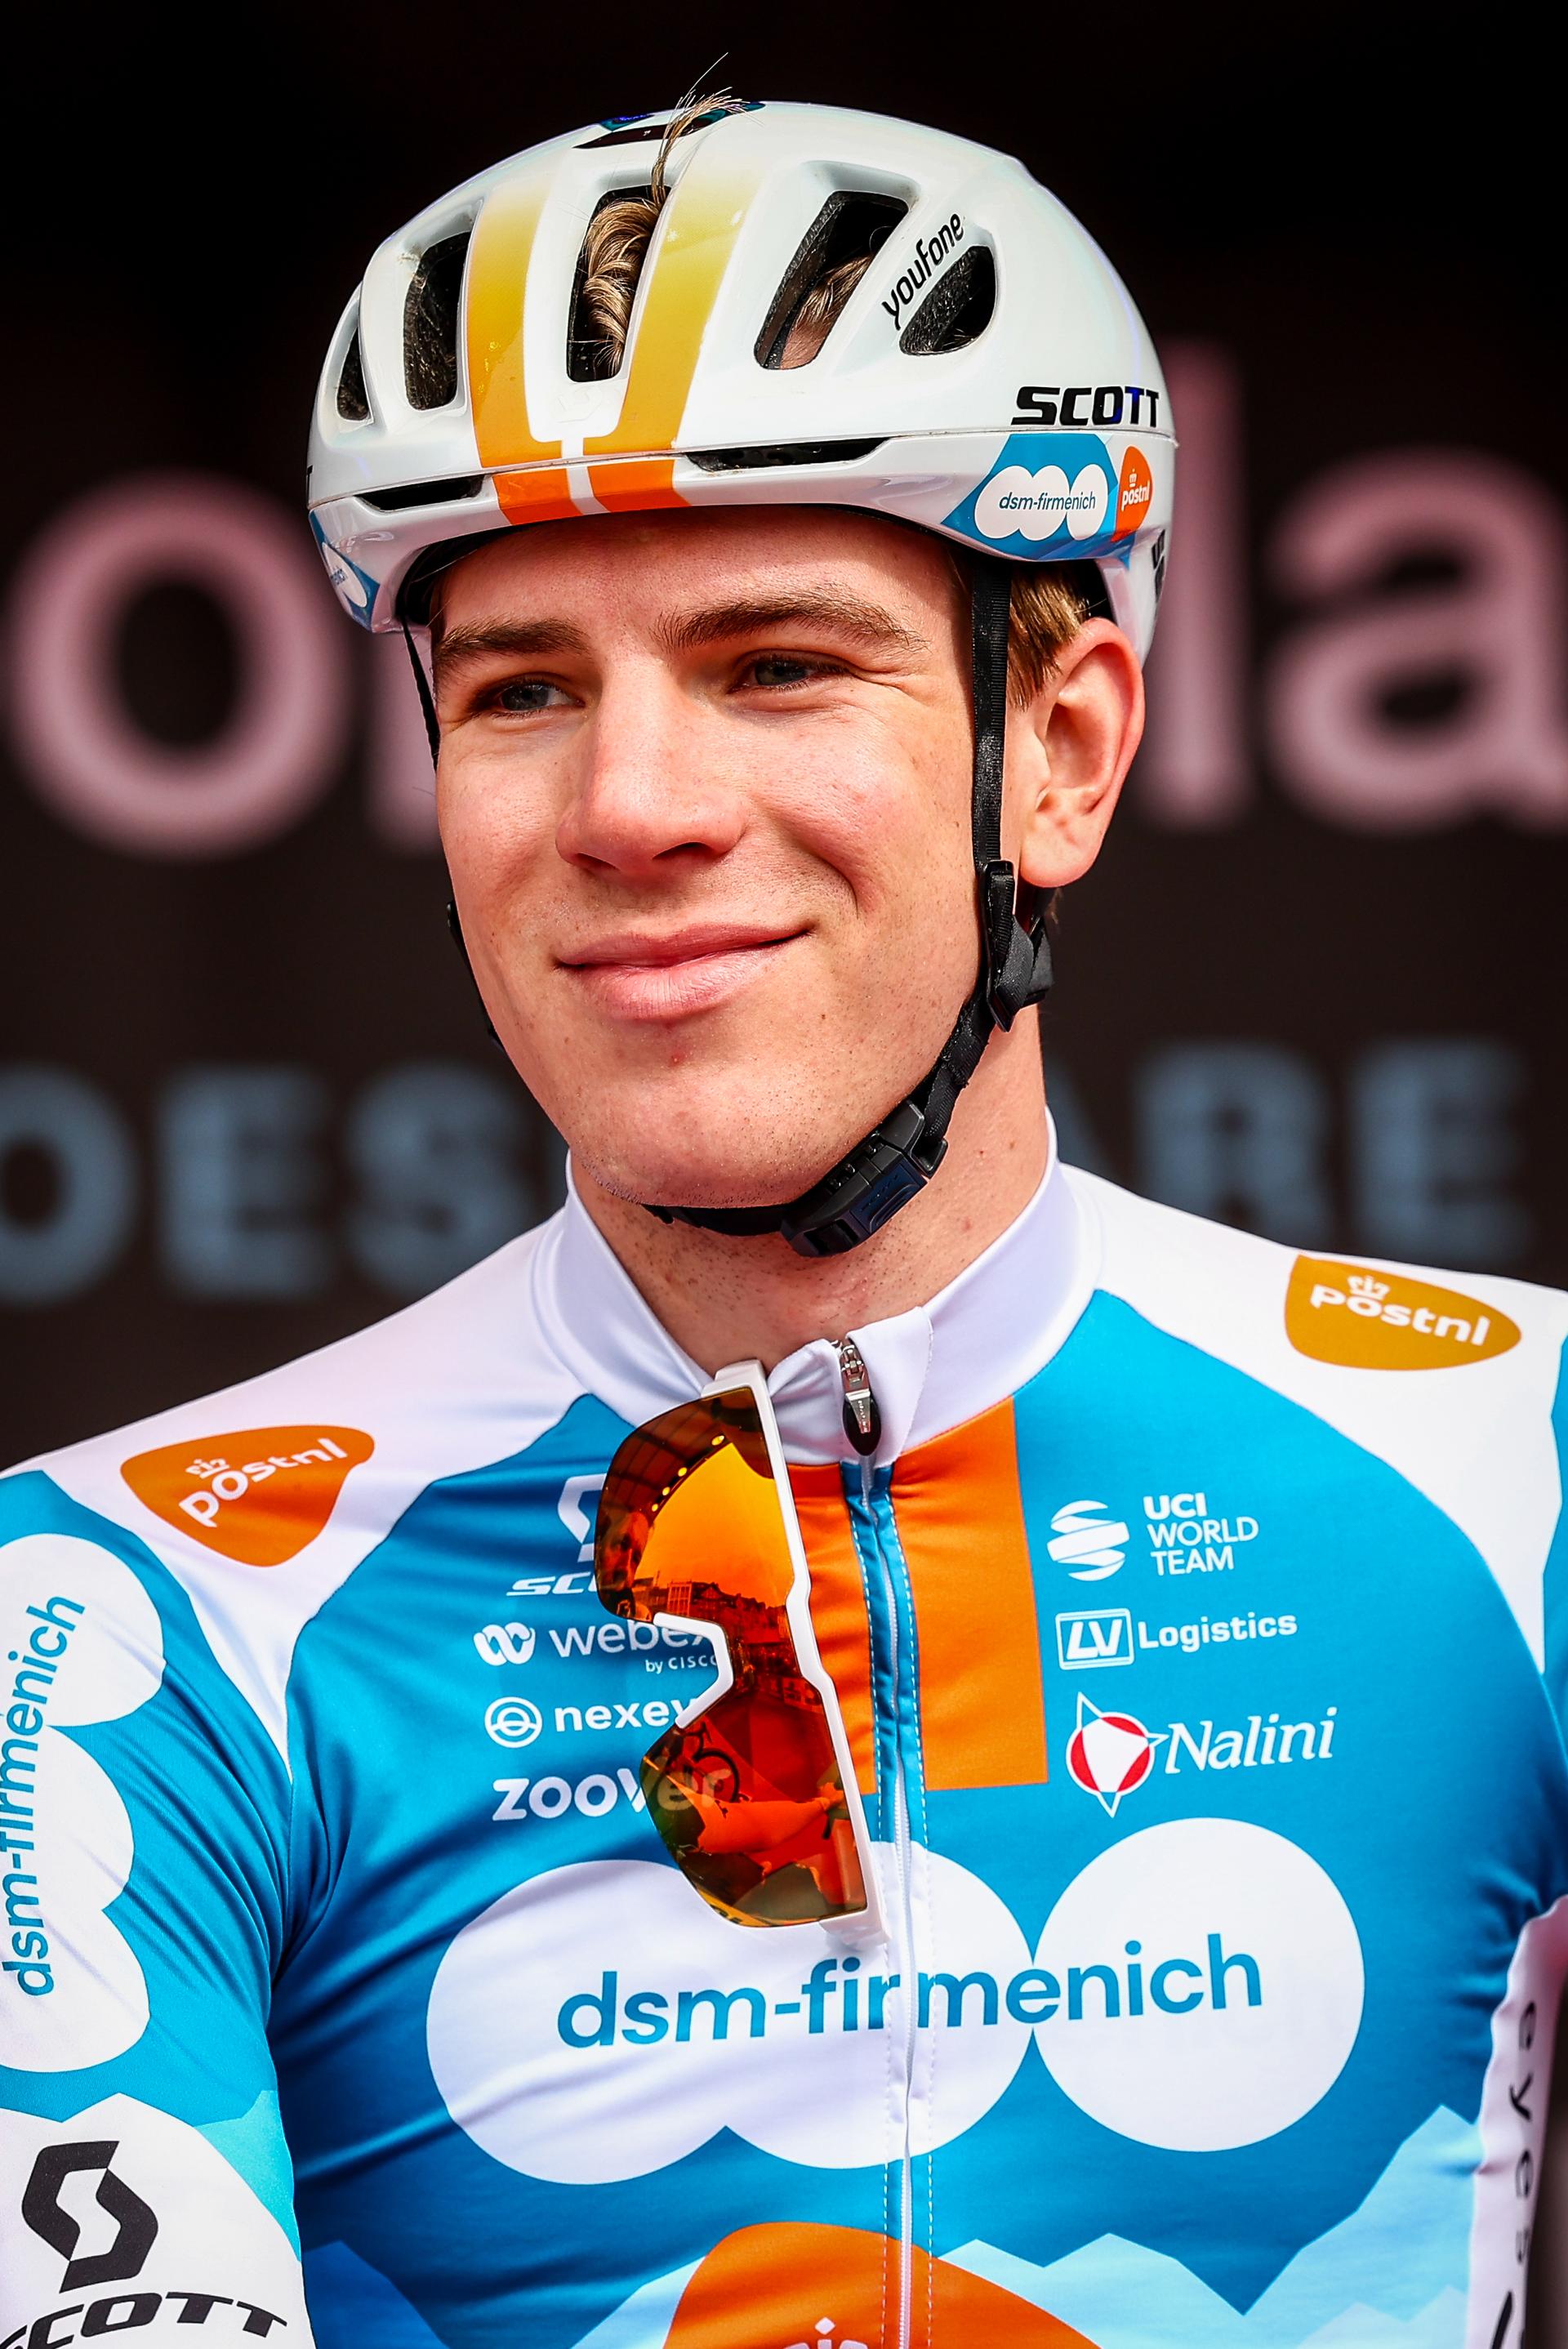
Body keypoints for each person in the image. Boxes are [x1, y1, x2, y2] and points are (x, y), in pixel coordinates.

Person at [3, 90, 1566, 2349]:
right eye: (524, 689)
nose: (633, 806)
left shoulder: (1520, 1476)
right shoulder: (119, 1625)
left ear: (1067, 749)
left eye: (778, 663)